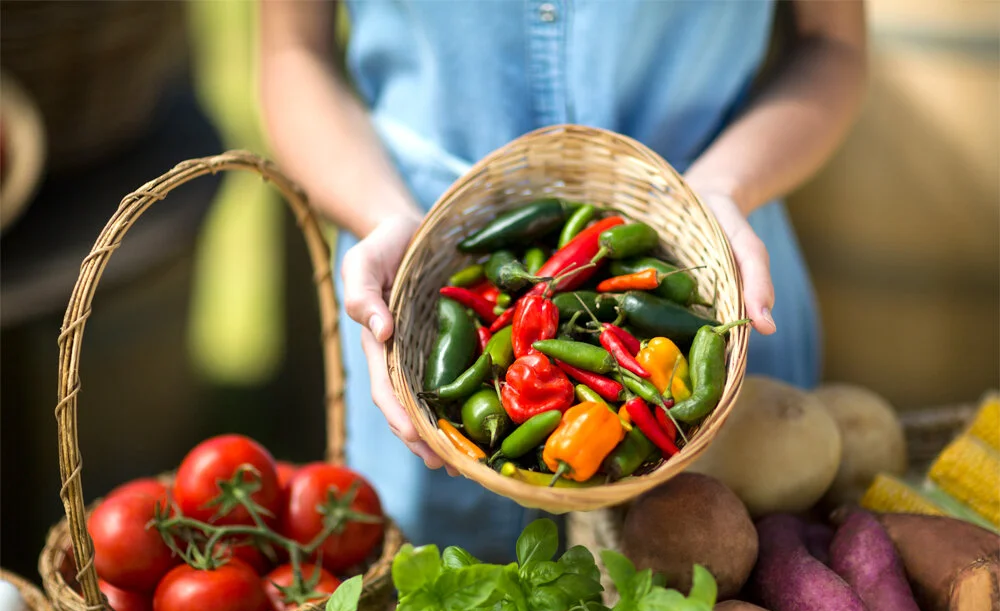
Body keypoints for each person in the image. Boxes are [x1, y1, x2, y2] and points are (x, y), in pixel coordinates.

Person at [259, 1, 867, 562]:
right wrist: (385, 217)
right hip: (412, 240)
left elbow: (831, 43)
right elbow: (293, 53)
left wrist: (720, 189)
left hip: (712, 242)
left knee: (724, 606)